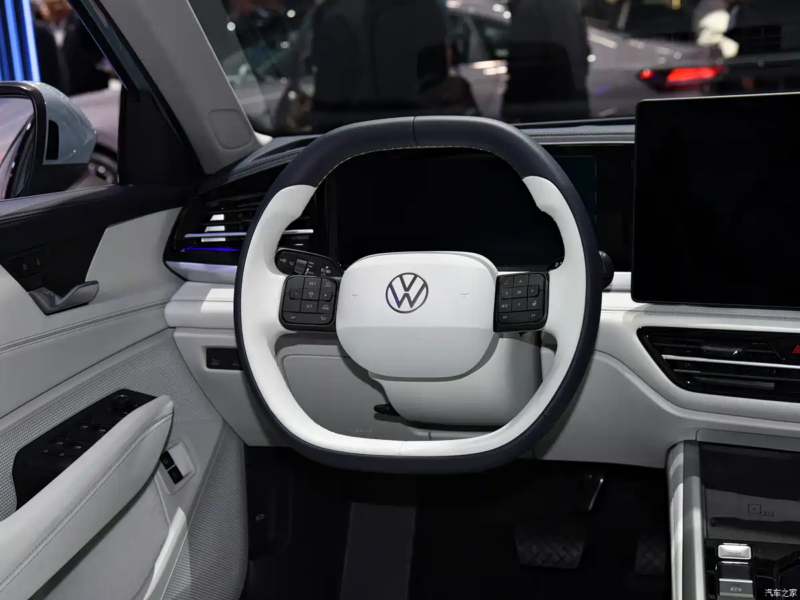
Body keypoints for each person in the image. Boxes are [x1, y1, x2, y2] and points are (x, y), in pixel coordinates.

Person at [502, 0, 591, 124]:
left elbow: (521, 56)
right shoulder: (571, 7)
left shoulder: (528, 8)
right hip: (569, 95)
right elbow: (583, 50)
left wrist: (511, 105)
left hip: (537, 100)